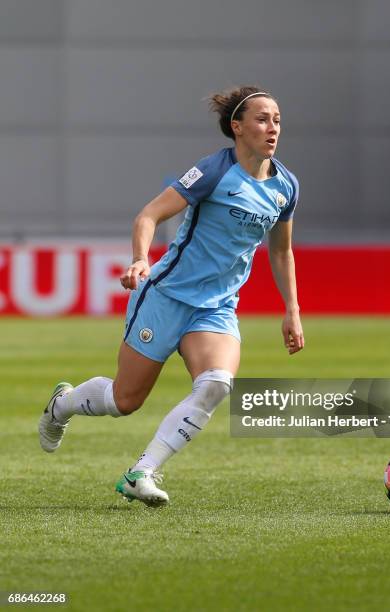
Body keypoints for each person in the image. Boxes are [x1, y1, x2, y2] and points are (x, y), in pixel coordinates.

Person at [38, 85, 304, 507]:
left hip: (216, 308)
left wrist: (292, 309)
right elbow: (149, 214)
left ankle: (141, 472)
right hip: (167, 297)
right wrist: (141, 258)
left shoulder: (285, 186)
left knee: (217, 384)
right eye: (261, 119)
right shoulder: (213, 172)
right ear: (237, 127)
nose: (272, 127)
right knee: (125, 401)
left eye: (277, 120)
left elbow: (281, 249)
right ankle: (63, 404)